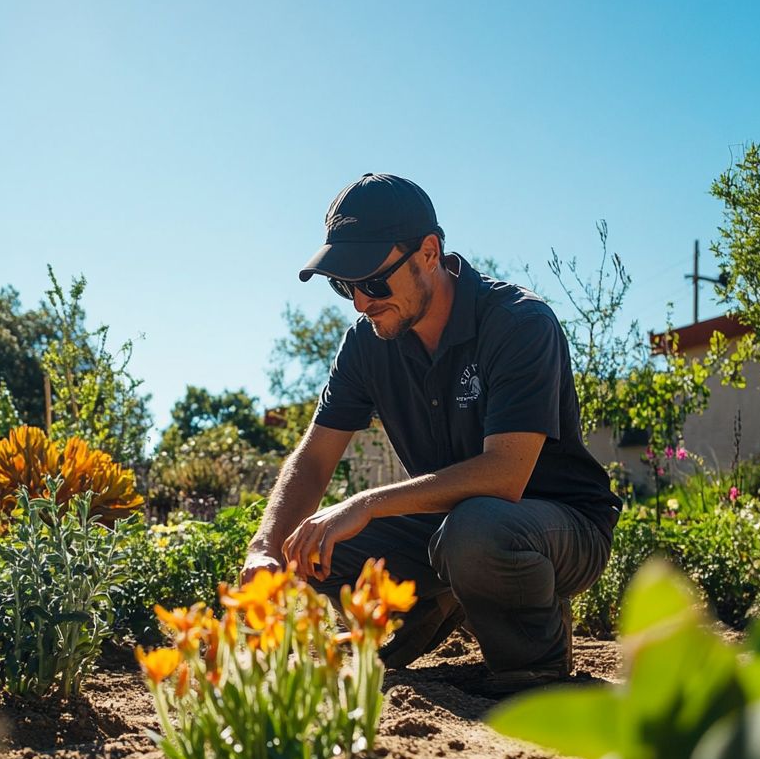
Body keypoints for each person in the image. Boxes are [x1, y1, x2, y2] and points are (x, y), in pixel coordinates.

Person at [241, 173, 621, 694]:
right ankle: (434, 603)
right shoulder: (366, 343)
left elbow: (506, 476)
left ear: (428, 252)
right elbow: (312, 462)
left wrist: (366, 502)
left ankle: (534, 665)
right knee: (316, 545)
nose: (359, 302)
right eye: (343, 285)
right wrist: (265, 548)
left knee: (478, 529)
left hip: (559, 530)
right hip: (449, 527)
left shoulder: (519, 323)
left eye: (373, 282)